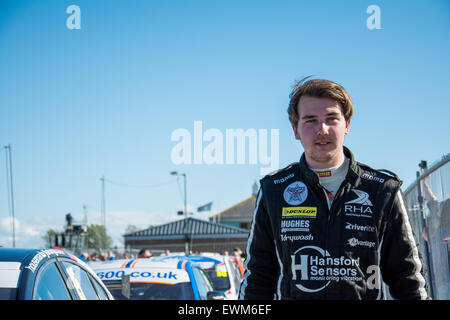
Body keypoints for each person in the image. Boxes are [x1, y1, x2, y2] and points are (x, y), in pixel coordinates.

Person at [239, 77, 429, 300]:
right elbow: (257, 278)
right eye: (310, 121)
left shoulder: (382, 190)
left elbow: (408, 278)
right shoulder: (274, 190)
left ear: (346, 125)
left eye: (331, 118)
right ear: (295, 130)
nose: (322, 129)